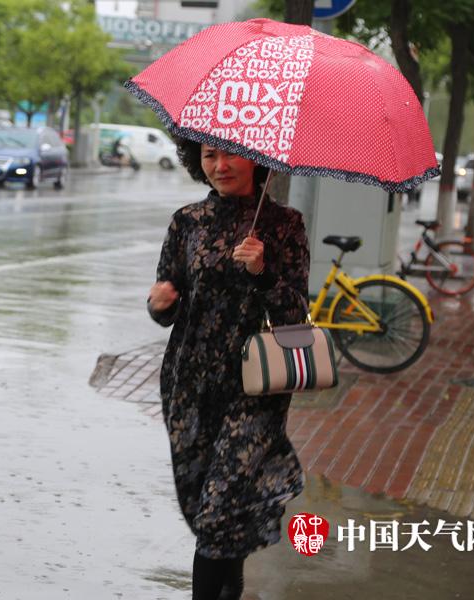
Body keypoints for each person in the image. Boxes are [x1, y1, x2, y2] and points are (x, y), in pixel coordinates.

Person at [146, 139, 310, 600]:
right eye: (208, 156)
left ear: (256, 158)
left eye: (228, 155)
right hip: (190, 383)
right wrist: (158, 305)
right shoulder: (187, 222)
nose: (219, 166)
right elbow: (168, 299)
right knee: (210, 512)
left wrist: (263, 271)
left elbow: (296, 316)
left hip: (255, 388)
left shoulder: (285, 226)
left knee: (218, 513)